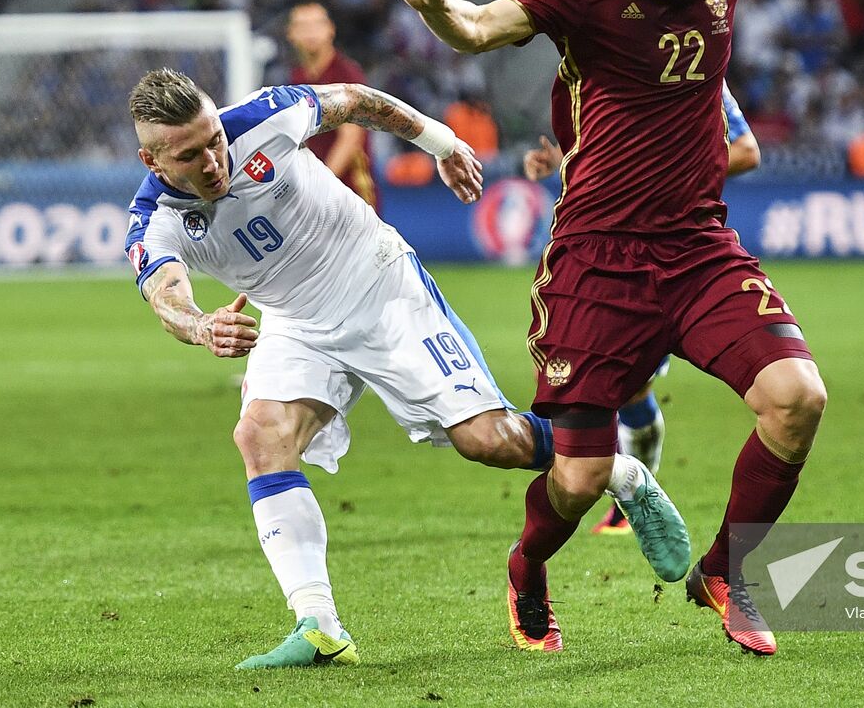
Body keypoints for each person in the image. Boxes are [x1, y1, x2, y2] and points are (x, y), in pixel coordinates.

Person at [384, 0, 826, 656]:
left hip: (699, 249)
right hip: (598, 261)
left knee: (798, 397)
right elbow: (479, 28)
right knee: (583, 476)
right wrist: (436, 5)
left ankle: (726, 569)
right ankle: (527, 563)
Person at [123, 68, 683, 668]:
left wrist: (442, 143)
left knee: (488, 441)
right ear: (152, 161)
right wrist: (201, 326)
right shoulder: (153, 219)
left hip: (378, 283)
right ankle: (319, 626)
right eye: (190, 155)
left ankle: (619, 471)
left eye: (214, 139)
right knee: (260, 436)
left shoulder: (264, 118)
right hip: (295, 321)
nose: (213, 160)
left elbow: (356, 102)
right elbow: (166, 295)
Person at [522, 80, 761, 535]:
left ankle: (625, 504)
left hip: (671, 249)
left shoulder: (698, 70)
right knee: (615, 388)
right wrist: (565, 163)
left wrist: (663, 176)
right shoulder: (615, 70)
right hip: (605, 252)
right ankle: (623, 492)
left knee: (628, 387)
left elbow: (747, 151)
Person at [286, 0, 379, 210]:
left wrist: (320, 185)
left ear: (330, 29)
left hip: (351, 188)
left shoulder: (346, 75)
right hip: (316, 189)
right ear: (291, 33)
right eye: (303, 26)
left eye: (317, 24)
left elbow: (350, 138)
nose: (311, 32)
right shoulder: (297, 77)